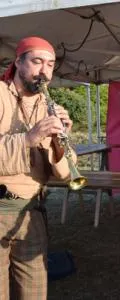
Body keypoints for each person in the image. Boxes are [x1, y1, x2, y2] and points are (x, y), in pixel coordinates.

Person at [0, 36, 77, 299]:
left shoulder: (50, 107)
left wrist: (60, 141)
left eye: (50, 65)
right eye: (37, 62)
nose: (44, 71)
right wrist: (28, 139)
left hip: (32, 214)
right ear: (18, 63)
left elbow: (67, 174)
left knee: (35, 292)